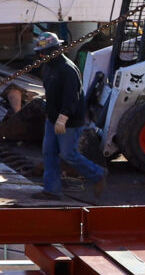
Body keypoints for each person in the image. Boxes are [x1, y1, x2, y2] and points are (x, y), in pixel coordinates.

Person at [28, 30, 104, 198]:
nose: (40, 56)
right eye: (39, 53)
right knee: (49, 153)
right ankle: (52, 190)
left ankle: (98, 174)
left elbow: (71, 98)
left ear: (54, 51)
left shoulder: (68, 70)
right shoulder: (48, 68)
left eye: (43, 53)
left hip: (69, 121)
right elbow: (52, 92)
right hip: (53, 118)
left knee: (68, 154)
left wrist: (62, 119)